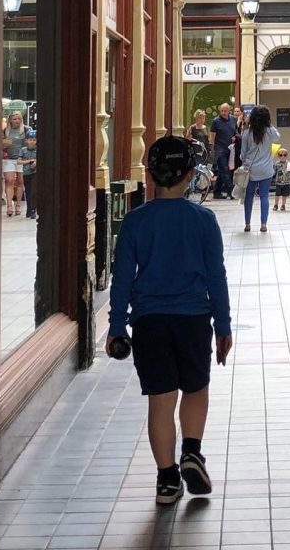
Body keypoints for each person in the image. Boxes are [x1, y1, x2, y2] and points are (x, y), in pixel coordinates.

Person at [107, 135, 232, 505]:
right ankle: (191, 450)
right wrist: (223, 326)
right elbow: (216, 277)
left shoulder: (134, 222)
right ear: (191, 175)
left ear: (150, 174)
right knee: (195, 389)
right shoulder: (203, 220)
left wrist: (116, 328)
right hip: (193, 320)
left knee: (160, 400)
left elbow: (122, 281)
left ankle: (166, 480)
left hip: (149, 323)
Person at [240, 105, 279, 232]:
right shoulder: (269, 131)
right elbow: (278, 136)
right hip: (266, 169)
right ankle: (263, 224)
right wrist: (269, 124)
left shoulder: (247, 132)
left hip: (250, 170)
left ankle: (247, 224)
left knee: (249, 197)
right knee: (264, 196)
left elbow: (243, 154)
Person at [2, 110, 29, 217]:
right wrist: (4, 145)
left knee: (20, 182)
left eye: (19, 119)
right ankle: (9, 205)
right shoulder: (5, 131)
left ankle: (18, 204)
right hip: (9, 158)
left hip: (22, 159)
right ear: (10, 120)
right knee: (9, 181)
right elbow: (0, 143)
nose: (17, 121)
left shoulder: (26, 130)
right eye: (15, 119)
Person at [209, 103, 237, 199]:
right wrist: (212, 149)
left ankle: (217, 192)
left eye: (225, 111)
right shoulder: (215, 121)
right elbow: (212, 136)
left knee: (222, 170)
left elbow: (235, 131)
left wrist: (235, 137)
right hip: (219, 149)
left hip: (230, 148)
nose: (223, 113)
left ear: (229, 110)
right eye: (222, 111)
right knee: (224, 170)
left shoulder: (233, 119)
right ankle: (231, 192)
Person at [22, 128, 38, 220]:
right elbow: (19, 161)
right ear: (26, 140)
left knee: (33, 191)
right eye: (30, 139)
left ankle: (33, 209)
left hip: (35, 173)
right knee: (28, 191)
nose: (32, 142)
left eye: (34, 140)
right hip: (26, 173)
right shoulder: (23, 150)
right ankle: (29, 209)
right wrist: (28, 161)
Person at [272, 148, 290, 212]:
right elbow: (274, 172)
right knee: (277, 194)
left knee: (284, 195)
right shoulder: (276, 164)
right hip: (279, 182)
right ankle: (276, 204)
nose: (283, 156)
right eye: (281, 155)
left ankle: (283, 205)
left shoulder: (289, 164)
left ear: (287, 156)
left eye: (285, 155)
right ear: (278, 156)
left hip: (286, 182)